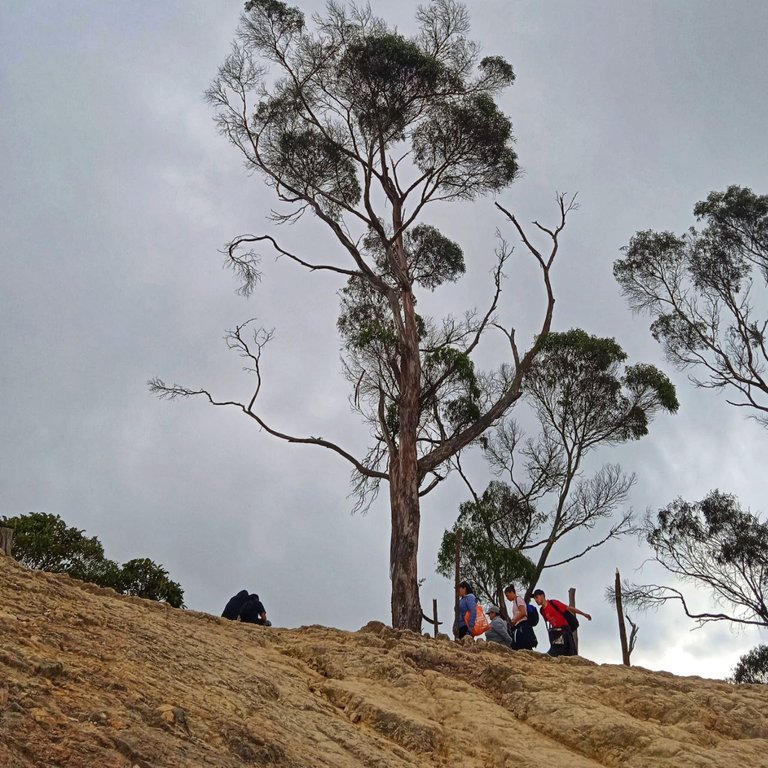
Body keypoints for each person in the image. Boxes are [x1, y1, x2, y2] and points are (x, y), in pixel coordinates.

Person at [532, 589, 591, 657]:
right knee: (556, 653)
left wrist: (584, 614)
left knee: (570, 654)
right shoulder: (542, 611)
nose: (536, 600)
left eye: (537, 597)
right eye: (534, 599)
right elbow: (549, 622)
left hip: (565, 631)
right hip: (556, 634)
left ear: (542, 596)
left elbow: (569, 608)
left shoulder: (553, 603)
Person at [504, 584, 537, 650]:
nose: (507, 598)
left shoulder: (518, 599)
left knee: (524, 646)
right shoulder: (515, 602)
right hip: (519, 626)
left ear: (512, 592)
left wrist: (514, 620)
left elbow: (523, 612)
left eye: (507, 595)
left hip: (522, 625)